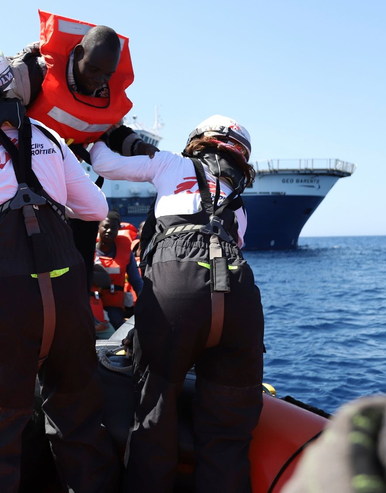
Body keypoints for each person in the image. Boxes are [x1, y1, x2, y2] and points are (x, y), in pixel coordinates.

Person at [0, 42, 118, 492]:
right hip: (67, 300)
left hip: (0, 306)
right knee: (79, 420)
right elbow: (96, 207)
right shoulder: (50, 139)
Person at [90, 115, 264, 493]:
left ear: (198, 141)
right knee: (230, 430)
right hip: (239, 293)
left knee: (155, 410)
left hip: (177, 284)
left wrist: (94, 138)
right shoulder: (241, 207)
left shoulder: (174, 163)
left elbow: (104, 164)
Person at [6, 12, 156, 297]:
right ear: (77, 54)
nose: (100, 81)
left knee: (89, 220)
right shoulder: (34, 73)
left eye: (107, 74)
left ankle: (79, 306)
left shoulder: (104, 90)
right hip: (21, 173)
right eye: (94, 70)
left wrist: (141, 148)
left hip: (65, 170)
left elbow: (112, 131)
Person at [92, 211, 143, 330]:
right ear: (99, 227)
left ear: (118, 230)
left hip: (114, 306)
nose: (109, 231)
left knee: (117, 327)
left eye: (113, 228)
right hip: (92, 304)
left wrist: (145, 302)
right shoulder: (88, 250)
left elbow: (136, 281)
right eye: (106, 226)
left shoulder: (125, 251)